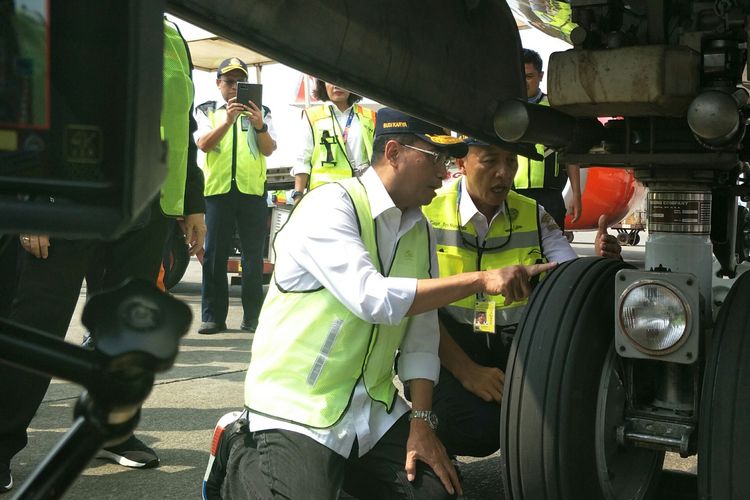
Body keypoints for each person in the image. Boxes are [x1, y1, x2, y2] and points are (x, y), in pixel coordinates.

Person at [203, 109, 556, 500]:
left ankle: (335, 471)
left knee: (439, 495)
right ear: (394, 152)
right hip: (299, 408)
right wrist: (480, 280)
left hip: (369, 409)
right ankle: (239, 449)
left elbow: (422, 336)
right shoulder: (330, 207)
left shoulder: (418, 227)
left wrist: (421, 423)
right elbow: (372, 298)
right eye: (435, 159)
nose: (443, 173)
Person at [0, 18, 206, 492]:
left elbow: (183, 120)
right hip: (70, 198)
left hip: (146, 206)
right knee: (38, 325)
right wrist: (30, 199)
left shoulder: (171, 33)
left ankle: (115, 430)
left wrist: (191, 200)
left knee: (129, 327)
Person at [422, 137, 621, 458]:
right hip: (446, 348)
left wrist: (600, 263)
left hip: (512, 348)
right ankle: (429, 439)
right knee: (476, 429)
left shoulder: (533, 214)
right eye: (490, 161)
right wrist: (468, 372)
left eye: (511, 161)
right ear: (461, 164)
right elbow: (415, 313)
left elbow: (570, 277)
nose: (504, 173)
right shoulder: (427, 213)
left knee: (561, 411)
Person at [195, 58, 277, 335]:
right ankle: (212, 317)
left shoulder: (261, 111)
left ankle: (252, 318)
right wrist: (228, 120)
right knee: (214, 256)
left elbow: (268, 149)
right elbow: (204, 144)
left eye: (240, 82)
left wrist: (259, 125)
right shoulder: (207, 111)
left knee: (253, 259)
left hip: (251, 192)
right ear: (218, 83)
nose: (234, 88)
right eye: (229, 81)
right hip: (218, 192)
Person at [514, 48, 582, 231]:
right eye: (519, 75)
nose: (523, 81)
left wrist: (576, 195)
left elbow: (569, 154)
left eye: (529, 76)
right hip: (511, 193)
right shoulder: (506, 110)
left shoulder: (555, 109)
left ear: (541, 75)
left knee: (551, 253)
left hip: (549, 196)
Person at [290, 79, 376, 203]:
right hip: (322, 197)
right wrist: (298, 195)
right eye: (330, 80)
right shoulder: (311, 116)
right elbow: (303, 159)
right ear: (322, 84)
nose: (337, 85)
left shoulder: (370, 117)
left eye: (343, 80)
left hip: (359, 196)